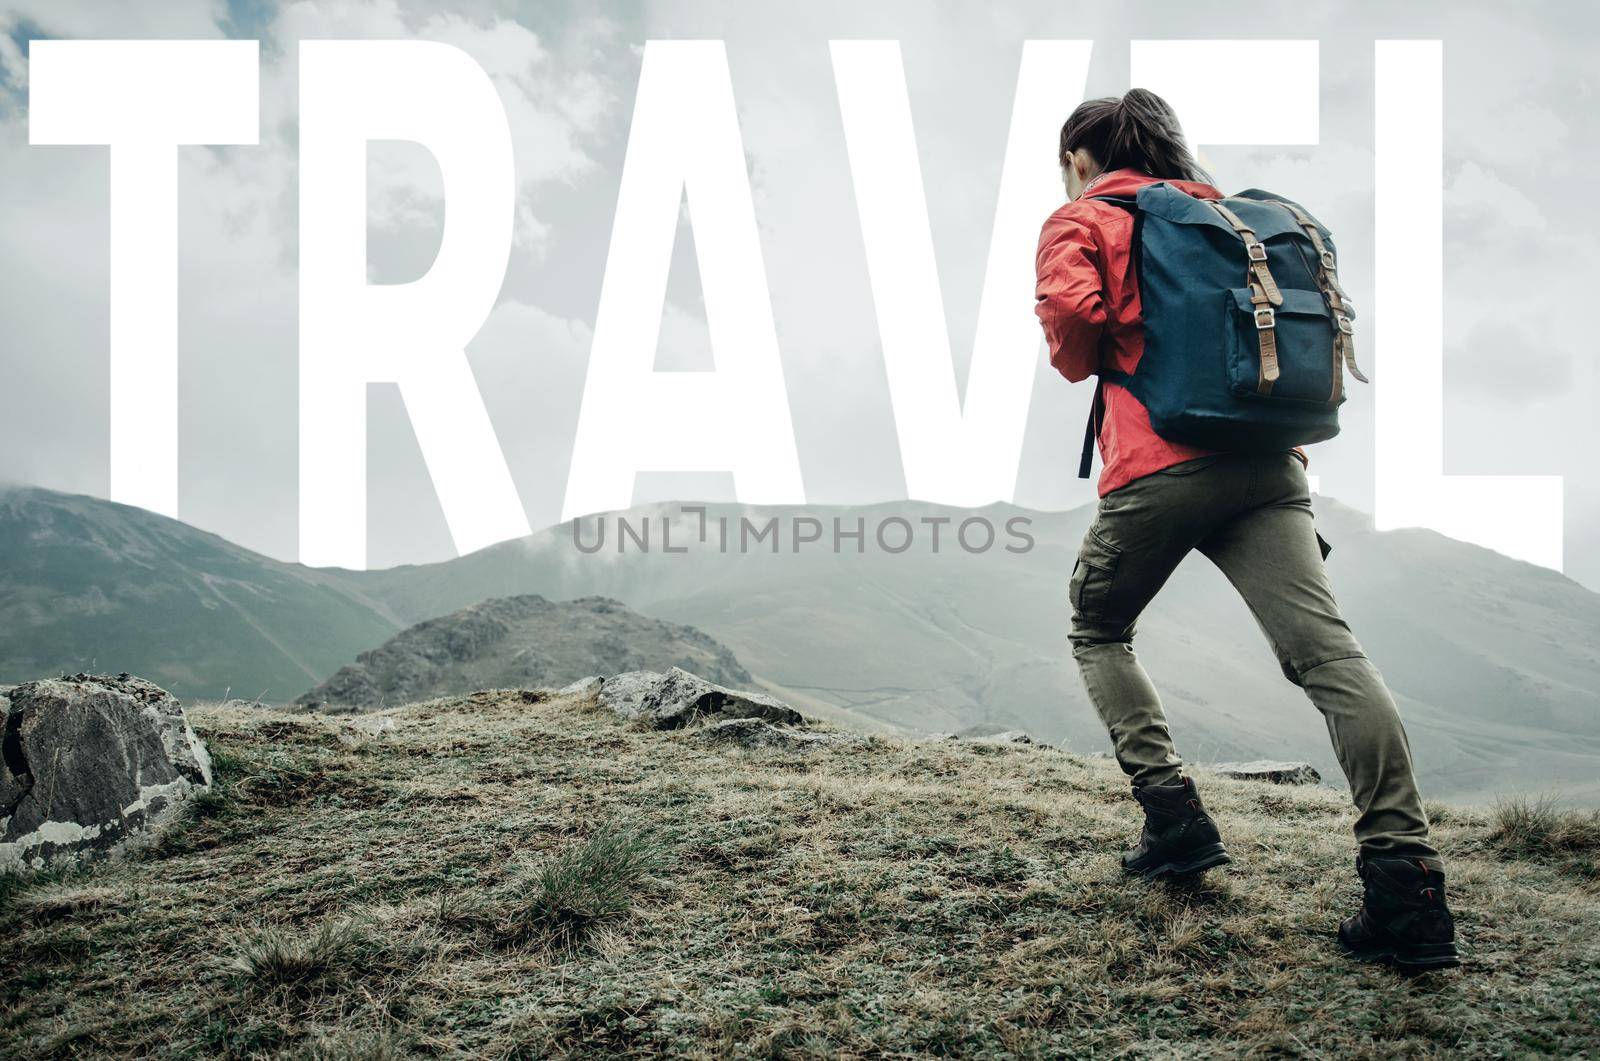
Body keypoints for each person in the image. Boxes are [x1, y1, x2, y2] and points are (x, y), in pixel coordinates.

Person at [1034, 88, 1459, 970]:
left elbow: (1073, 332)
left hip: (1159, 464)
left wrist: (1112, 333)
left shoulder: (1085, 215)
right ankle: (1407, 884)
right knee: (1329, 657)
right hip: (1270, 466)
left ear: (1081, 157)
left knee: (1098, 627)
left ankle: (1175, 820)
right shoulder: (1224, 214)